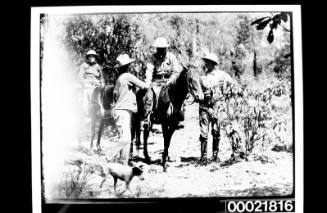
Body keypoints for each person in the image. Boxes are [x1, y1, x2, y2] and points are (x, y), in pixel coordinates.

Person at [198, 52, 236, 165]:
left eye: (208, 62)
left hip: (217, 107)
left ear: (213, 63)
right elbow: (198, 92)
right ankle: (203, 157)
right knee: (203, 133)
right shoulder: (202, 76)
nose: (206, 64)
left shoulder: (222, 75)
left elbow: (233, 86)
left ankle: (215, 156)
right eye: (206, 62)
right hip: (204, 107)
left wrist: (228, 96)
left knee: (216, 131)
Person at [112, 54, 149, 165]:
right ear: (127, 66)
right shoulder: (128, 76)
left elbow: (115, 95)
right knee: (125, 139)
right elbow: (144, 86)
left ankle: (123, 162)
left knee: (124, 138)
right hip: (123, 111)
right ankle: (110, 156)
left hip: (119, 110)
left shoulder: (119, 79)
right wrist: (149, 79)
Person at [145, 37, 185, 123]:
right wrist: (148, 82)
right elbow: (149, 70)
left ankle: (178, 114)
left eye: (162, 49)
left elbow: (176, 71)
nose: (160, 51)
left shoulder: (171, 57)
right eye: (159, 49)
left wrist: (170, 81)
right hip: (156, 82)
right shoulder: (152, 58)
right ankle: (148, 115)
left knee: (179, 94)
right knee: (149, 96)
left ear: (166, 48)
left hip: (170, 81)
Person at [78, 50, 105, 116]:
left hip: (97, 85)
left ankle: (101, 112)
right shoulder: (84, 65)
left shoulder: (98, 66)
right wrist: (84, 84)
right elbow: (80, 75)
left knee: (101, 99)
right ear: (87, 57)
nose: (91, 57)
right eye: (90, 56)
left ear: (95, 57)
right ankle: (85, 113)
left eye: (93, 56)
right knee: (85, 99)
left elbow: (101, 77)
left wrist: (102, 84)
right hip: (88, 84)